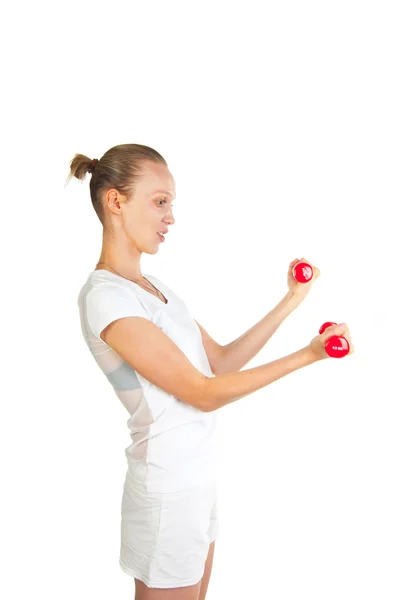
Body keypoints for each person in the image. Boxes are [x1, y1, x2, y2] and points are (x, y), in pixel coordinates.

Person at [67, 143, 354, 600]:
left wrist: (291, 302)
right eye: (160, 201)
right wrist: (308, 355)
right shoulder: (108, 298)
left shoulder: (155, 289)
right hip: (166, 490)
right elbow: (203, 392)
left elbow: (218, 362)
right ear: (115, 201)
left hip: (195, 481)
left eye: (171, 204)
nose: (171, 217)